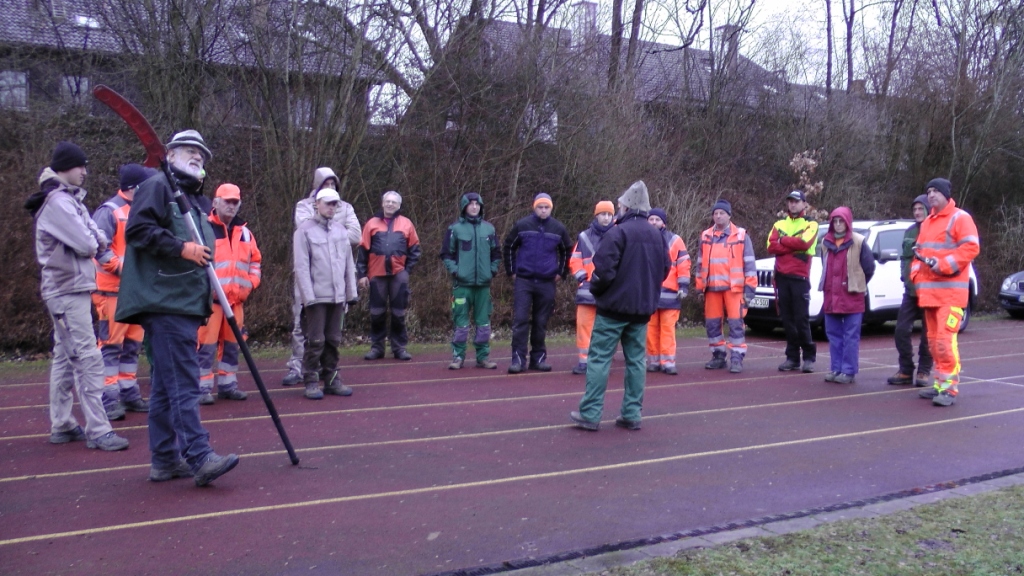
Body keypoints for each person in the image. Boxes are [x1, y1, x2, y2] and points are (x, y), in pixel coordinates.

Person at [117, 130, 239, 485]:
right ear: (169, 155)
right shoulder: (157, 186)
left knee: (164, 387)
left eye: (202, 153)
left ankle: (165, 459)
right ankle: (199, 456)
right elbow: (138, 230)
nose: (197, 156)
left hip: (183, 304)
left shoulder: (192, 200)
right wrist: (181, 248)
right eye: (189, 150)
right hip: (165, 302)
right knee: (185, 383)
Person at [24, 141, 129, 451]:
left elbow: (96, 236)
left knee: (64, 357)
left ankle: (62, 423)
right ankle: (98, 429)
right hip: (67, 289)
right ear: (65, 167)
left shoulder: (68, 200)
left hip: (69, 288)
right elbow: (88, 243)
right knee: (87, 356)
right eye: (80, 165)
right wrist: (93, 240)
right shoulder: (59, 202)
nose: (85, 171)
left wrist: (94, 238)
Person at [570, 181, 670, 431]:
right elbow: (665, 269)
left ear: (626, 206)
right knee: (636, 361)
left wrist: (597, 291)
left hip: (613, 309)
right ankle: (632, 413)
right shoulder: (657, 236)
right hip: (641, 310)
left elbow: (603, 270)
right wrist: (648, 290)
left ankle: (591, 413)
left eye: (619, 205)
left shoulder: (617, 233)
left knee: (599, 359)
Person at [282, 168, 360, 387]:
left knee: (333, 339)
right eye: (328, 202)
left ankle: (331, 378)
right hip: (314, 294)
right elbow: (301, 266)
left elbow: (349, 259)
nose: (332, 207)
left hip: (337, 294)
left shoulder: (340, 230)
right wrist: (308, 297)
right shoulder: (304, 226)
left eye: (335, 203)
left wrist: (351, 293)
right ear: (317, 202)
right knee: (313, 338)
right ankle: (307, 376)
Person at [91, 163, 155, 421]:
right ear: (135, 188)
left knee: (131, 346)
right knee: (110, 346)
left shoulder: (140, 210)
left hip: (134, 293)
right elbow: (99, 249)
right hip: (112, 292)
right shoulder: (109, 211)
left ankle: (128, 393)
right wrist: (124, 270)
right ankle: (108, 399)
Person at [912, 178, 980, 407]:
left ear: (946, 195)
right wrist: (915, 277)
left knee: (944, 341)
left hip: (950, 295)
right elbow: (918, 253)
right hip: (930, 295)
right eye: (929, 191)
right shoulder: (928, 222)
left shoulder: (960, 218)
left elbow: (971, 247)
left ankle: (949, 389)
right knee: (933, 343)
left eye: (935, 191)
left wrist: (943, 265)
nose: (931, 195)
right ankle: (940, 385)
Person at [196, 184, 262, 405]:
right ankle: (202, 388)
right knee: (205, 346)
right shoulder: (204, 229)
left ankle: (228, 385)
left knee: (232, 346)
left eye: (235, 202)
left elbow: (255, 262)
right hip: (211, 302)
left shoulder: (245, 233)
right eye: (227, 201)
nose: (231, 206)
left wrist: (251, 283)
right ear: (216, 202)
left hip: (236, 302)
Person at [502, 192, 573, 373]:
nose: (543, 210)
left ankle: (538, 359)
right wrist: (512, 271)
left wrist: (561, 272)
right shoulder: (522, 225)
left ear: (551, 208)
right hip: (524, 281)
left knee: (541, 322)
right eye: (540, 207)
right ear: (534, 207)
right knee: (520, 320)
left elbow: (567, 251)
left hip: (547, 281)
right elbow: (509, 246)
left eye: (546, 207)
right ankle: (518, 360)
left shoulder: (558, 228)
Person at [694, 199, 757, 373]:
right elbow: (700, 264)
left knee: (736, 324)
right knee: (712, 324)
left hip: (734, 289)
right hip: (711, 288)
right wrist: (699, 287)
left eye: (722, 213)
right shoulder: (705, 236)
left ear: (729, 215)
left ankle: (736, 358)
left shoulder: (741, 236)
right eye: (715, 213)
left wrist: (750, 289)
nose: (718, 216)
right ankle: (718, 356)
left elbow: (750, 263)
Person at [358, 191, 421, 361]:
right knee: (376, 313)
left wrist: (407, 270)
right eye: (388, 201)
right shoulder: (371, 223)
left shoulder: (406, 223)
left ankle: (399, 348)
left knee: (398, 313)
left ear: (399, 205)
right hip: (376, 274)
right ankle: (377, 348)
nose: (390, 204)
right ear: (382, 203)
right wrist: (362, 274)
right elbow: (363, 250)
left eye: (394, 202)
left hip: (399, 275)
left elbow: (415, 250)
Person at [441, 192, 501, 370]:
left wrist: (492, 271)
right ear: (464, 206)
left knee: (483, 324)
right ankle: (458, 357)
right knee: (461, 324)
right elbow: (446, 254)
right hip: (462, 285)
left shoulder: (489, 229)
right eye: (471, 204)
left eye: (477, 204)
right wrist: (456, 271)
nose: (474, 207)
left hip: (483, 286)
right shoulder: (455, 229)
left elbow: (496, 253)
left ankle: (483, 357)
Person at [819, 207, 875, 384]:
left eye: (841, 221)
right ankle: (836, 368)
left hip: (852, 297)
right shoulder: (825, 242)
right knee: (833, 335)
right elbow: (824, 266)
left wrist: (856, 283)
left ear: (848, 222)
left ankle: (848, 371)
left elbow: (869, 268)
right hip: (831, 296)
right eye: (834, 221)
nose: (837, 224)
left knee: (851, 336)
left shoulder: (858, 241)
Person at [767, 190, 819, 373]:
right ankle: (792, 358)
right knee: (787, 320)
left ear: (804, 204)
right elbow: (770, 246)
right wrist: (791, 245)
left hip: (800, 277)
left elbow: (804, 243)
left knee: (801, 319)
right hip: (782, 277)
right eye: (790, 201)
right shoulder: (779, 223)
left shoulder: (811, 223)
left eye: (796, 201)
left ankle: (809, 357)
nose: (793, 204)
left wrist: (782, 241)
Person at [888, 195, 933, 387]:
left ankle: (924, 371)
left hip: (930, 292)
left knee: (928, 335)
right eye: (915, 209)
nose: (917, 212)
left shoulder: (936, 231)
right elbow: (905, 259)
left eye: (921, 209)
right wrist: (905, 279)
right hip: (911, 291)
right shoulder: (909, 231)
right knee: (900, 330)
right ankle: (906, 369)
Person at [568, 201, 616, 375]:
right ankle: (584, 361)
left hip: (610, 291)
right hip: (587, 290)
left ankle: (601, 361)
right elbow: (575, 260)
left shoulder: (619, 235)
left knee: (606, 329)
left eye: (609, 214)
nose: (606, 218)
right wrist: (582, 278)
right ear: (596, 215)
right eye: (603, 214)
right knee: (584, 326)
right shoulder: (584, 237)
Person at [645, 207, 691, 375]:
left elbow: (683, 265)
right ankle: (654, 361)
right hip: (649, 294)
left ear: (663, 222)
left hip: (670, 294)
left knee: (667, 329)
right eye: (651, 219)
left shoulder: (675, 240)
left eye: (657, 220)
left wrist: (683, 286)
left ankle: (668, 362)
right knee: (651, 329)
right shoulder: (642, 239)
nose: (654, 222)